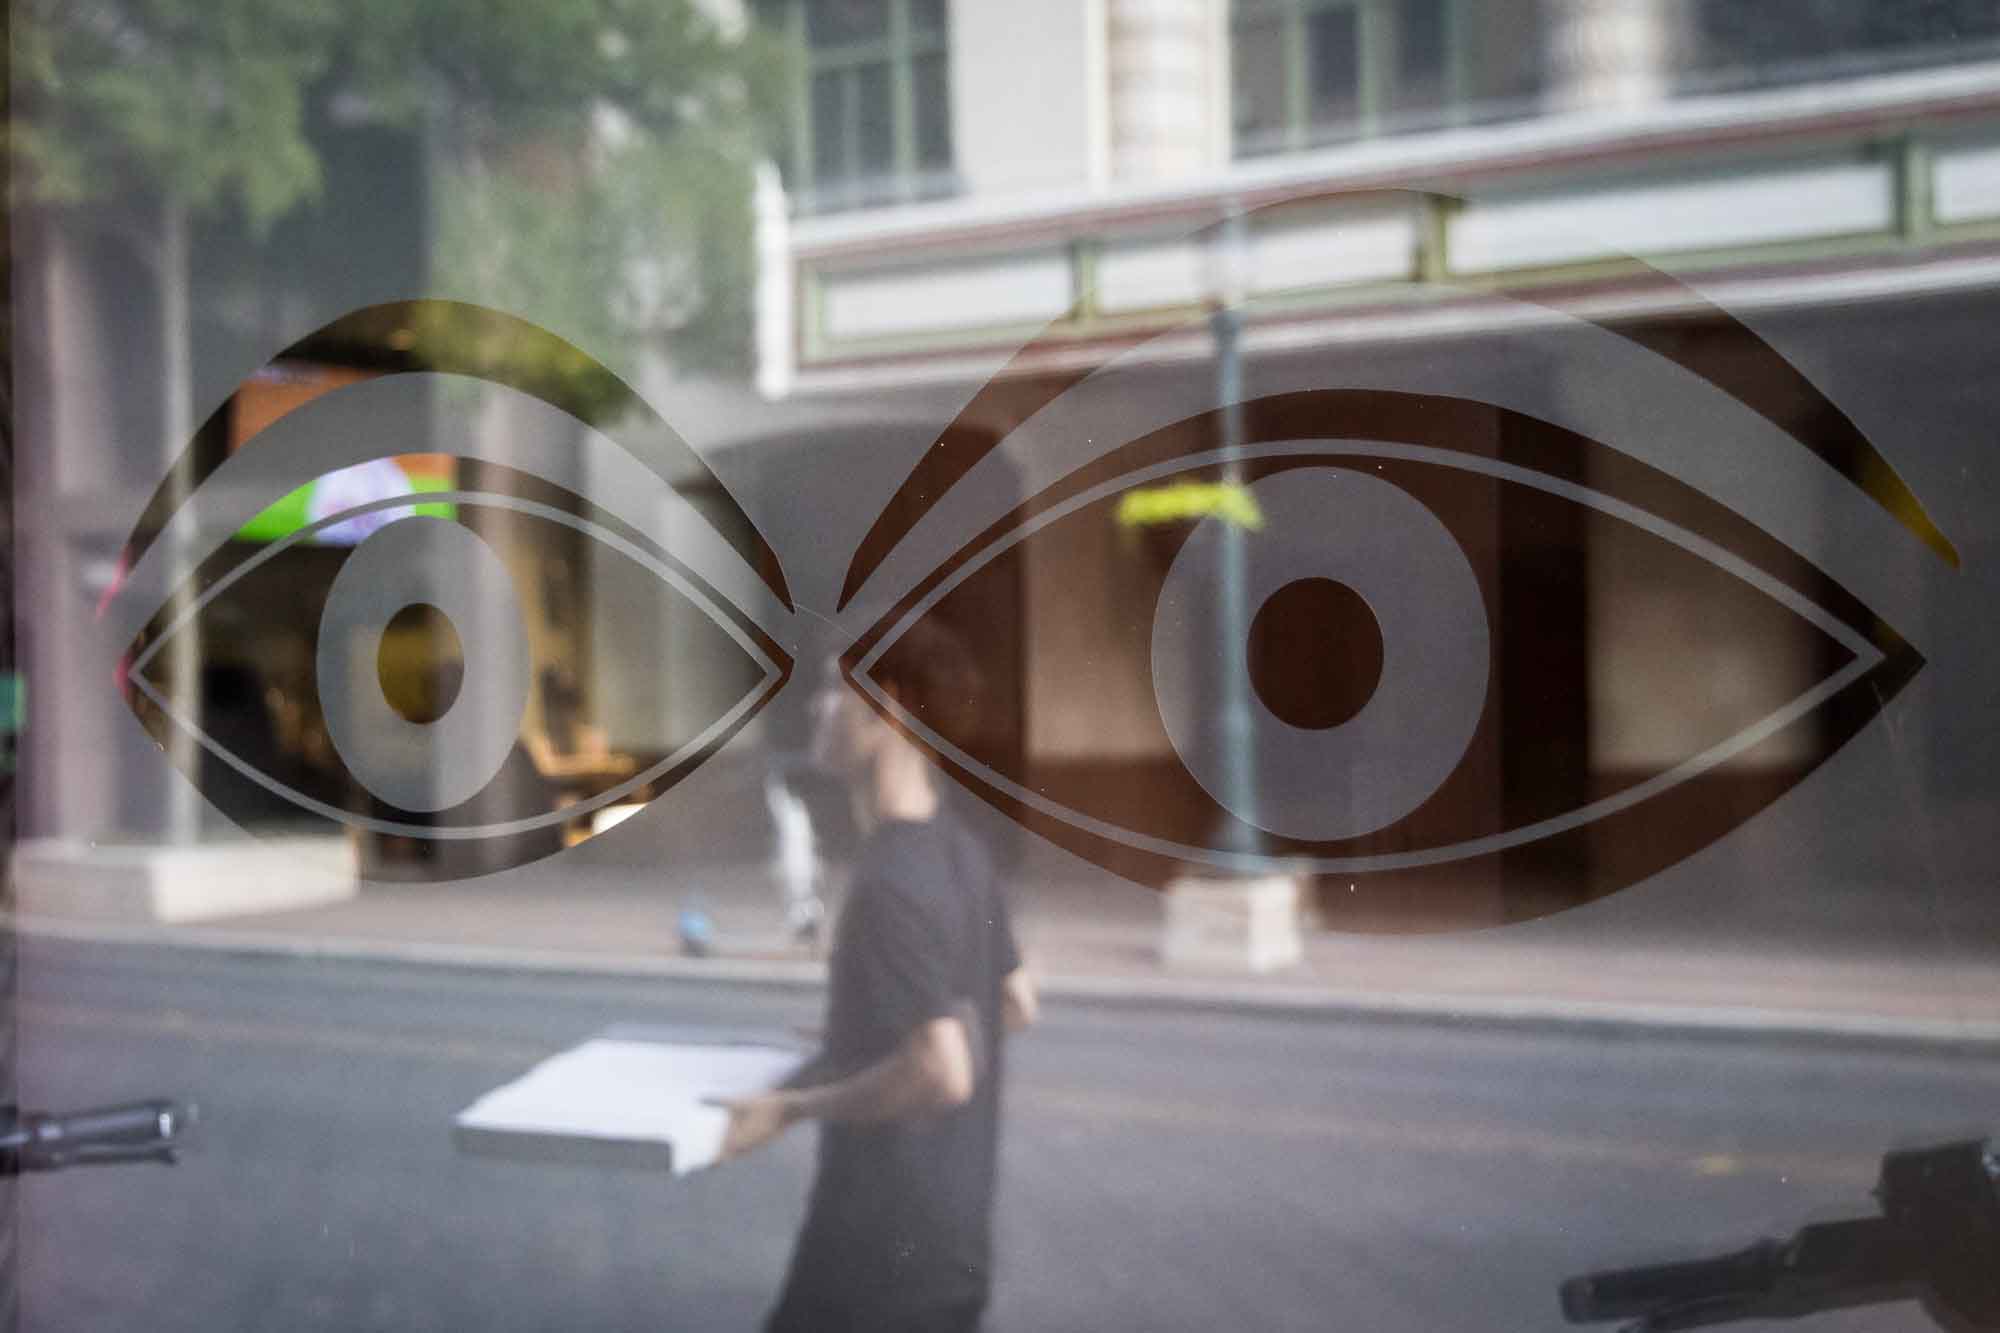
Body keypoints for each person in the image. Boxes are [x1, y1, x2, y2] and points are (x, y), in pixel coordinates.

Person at [716, 623, 1038, 1333]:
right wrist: (867, 1029)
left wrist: (790, 1107)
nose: (816, 708)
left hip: (872, 1266)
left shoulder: (892, 879)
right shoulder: (961, 850)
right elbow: (1014, 1000)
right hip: (949, 1247)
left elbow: (942, 1069)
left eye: (835, 689)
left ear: (885, 707)